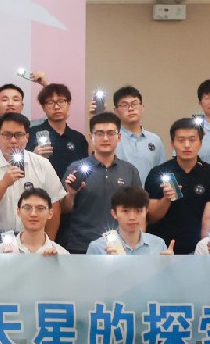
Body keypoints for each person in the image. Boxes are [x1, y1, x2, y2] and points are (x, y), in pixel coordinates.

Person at [0, 112, 64, 253]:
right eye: (7, 135)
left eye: (19, 135)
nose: (13, 140)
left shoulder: (42, 164)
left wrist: (48, 243)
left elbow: (55, 205)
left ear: (27, 137)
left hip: (33, 238)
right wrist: (4, 183)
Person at [60, 112, 142, 255]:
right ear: (91, 137)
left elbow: (140, 210)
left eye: (110, 133)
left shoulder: (129, 170)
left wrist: (138, 245)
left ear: (119, 137)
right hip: (81, 245)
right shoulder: (76, 168)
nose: (105, 138)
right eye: (99, 133)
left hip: (121, 246)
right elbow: (63, 209)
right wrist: (71, 194)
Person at [145, 117, 210, 256]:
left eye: (192, 140)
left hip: (195, 249)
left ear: (200, 143)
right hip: (161, 248)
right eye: (181, 140)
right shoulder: (158, 172)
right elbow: (151, 217)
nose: (187, 145)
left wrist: (205, 249)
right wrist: (166, 199)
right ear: (172, 144)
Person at [28, 83, 89, 182]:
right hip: (40, 189)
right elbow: (22, 167)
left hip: (71, 189)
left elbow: (86, 168)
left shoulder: (78, 138)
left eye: (61, 101)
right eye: (50, 102)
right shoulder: (32, 133)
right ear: (43, 107)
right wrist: (33, 155)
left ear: (68, 104)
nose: (56, 107)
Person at [85, 187, 171, 256]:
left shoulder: (158, 244)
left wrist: (170, 264)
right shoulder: (98, 247)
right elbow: (89, 273)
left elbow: (166, 273)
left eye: (138, 211)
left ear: (146, 212)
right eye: (125, 211)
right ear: (114, 213)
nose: (132, 217)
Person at [111, 86, 166, 180]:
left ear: (142, 108)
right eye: (124, 105)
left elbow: (162, 172)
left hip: (148, 190)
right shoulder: (112, 138)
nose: (130, 108)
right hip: (120, 189)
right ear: (116, 111)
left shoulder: (155, 140)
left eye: (134, 104)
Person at [0, 187, 62, 255]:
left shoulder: (60, 254)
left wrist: (53, 261)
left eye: (40, 208)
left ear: (50, 213)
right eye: (27, 208)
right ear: (18, 212)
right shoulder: (1, 251)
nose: (33, 214)